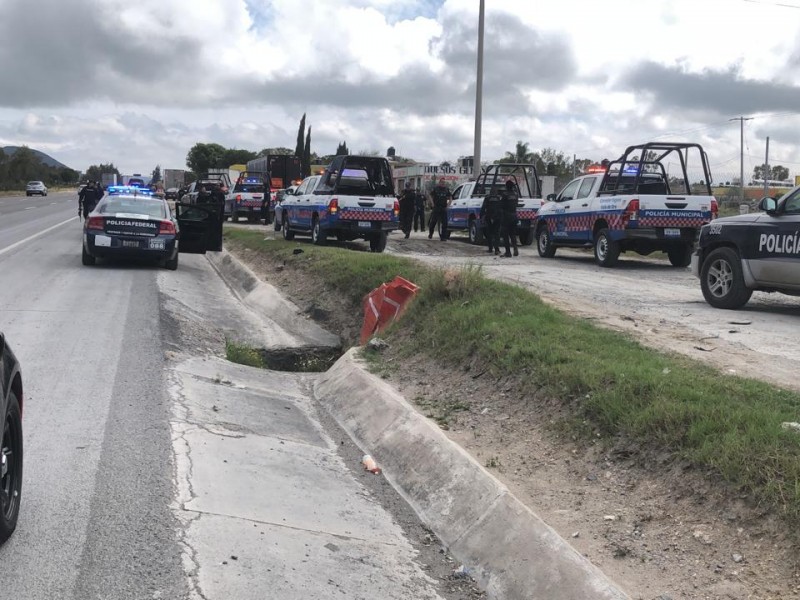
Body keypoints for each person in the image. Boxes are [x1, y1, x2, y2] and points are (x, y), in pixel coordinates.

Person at [499, 179, 519, 257]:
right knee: (512, 233)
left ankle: (508, 252)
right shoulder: (515, 194)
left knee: (505, 234)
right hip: (514, 216)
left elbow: (501, 206)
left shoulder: (504, 195)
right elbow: (516, 204)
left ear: (506, 186)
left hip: (506, 216)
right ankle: (515, 248)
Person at [480, 189, 502, 255]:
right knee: (497, 233)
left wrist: (481, 216)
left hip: (489, 217)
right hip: (497, 218)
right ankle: (497, 249)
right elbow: (501, 208)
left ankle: (490, 248)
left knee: (489, 233)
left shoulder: (487, 198)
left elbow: (483, 207)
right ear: (496, 192)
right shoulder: (499, 198)